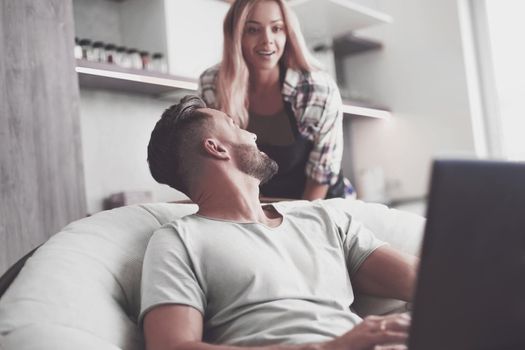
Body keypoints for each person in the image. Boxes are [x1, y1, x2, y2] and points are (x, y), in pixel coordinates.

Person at [141, 95, 418, 350]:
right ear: (216, 148)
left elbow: (428, 283)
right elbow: (173, 347)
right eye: (235, 125)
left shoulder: (322, 219)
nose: (253, 133)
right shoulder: (179, 240)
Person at [199, 0, 352, 200]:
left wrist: (290, 225)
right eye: (253, 30)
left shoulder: (316, 89)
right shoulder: (213, 85)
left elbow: (320, 178)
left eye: (277, 28)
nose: (267, 40)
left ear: (288, 33)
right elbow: (220, 166)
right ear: (235, 35)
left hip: (321, 203)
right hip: (262, 206)